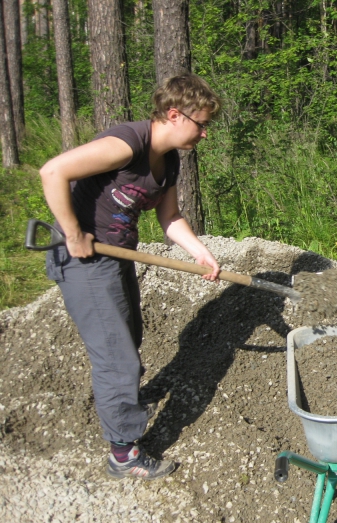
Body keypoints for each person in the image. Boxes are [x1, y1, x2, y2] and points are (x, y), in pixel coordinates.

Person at [40, 74, 222, 481]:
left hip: (116, 253)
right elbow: (53, 172)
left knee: (130, 335)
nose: (204, 134)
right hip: (83, 259)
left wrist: (200, 252)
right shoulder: (127, 144)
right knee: (115, 352)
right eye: (201, 124)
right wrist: (73, 233)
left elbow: (170, 217)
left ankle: (123, 401)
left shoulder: (170, 158)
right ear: (175, 115)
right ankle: (122, 452)